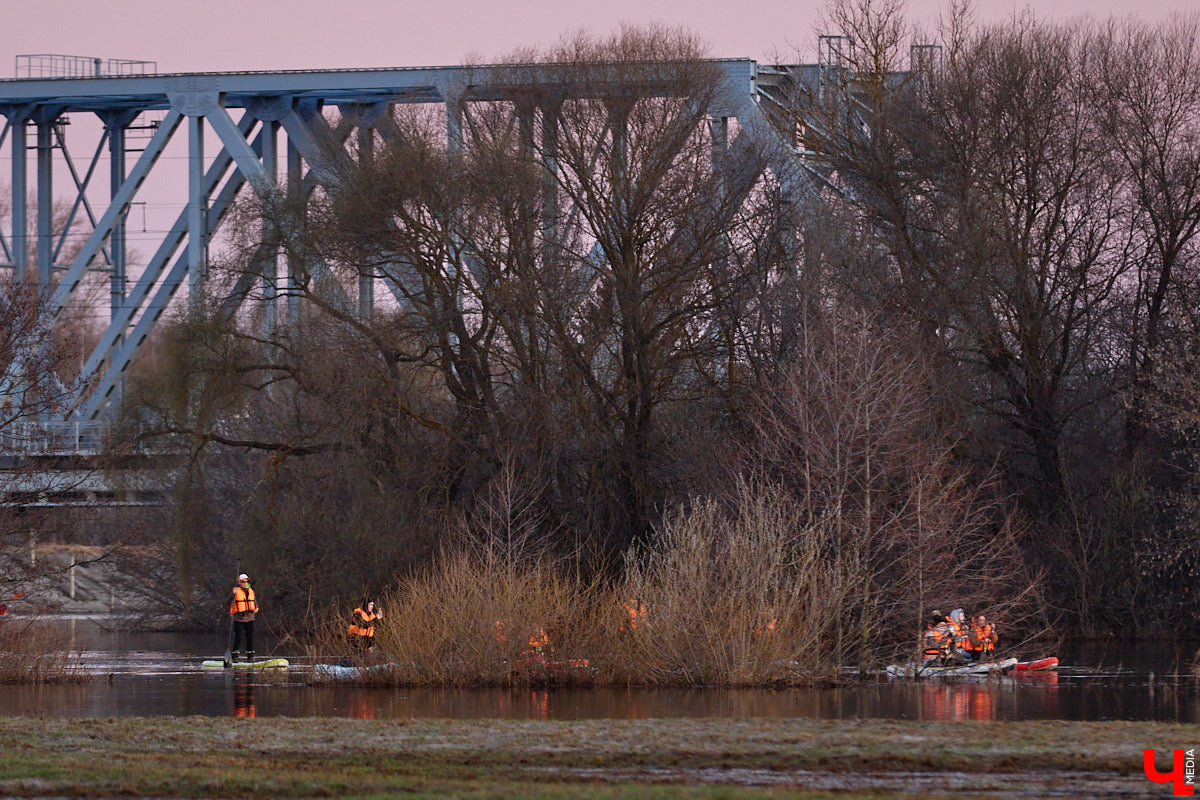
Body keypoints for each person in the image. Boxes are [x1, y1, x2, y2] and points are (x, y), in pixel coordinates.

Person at [228, 573, 258, 663]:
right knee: (238, 637)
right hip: (239, 618)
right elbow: (228, 602)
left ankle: (250, 657)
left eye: (246, 581)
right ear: (239, 582)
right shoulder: (235, 591)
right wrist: (232, 594)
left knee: (250, 638)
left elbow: (255, 603)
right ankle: (235, 657)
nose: (245, 583)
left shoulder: (251, 591)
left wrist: (256, 608)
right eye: (243, 581)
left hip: (250, 618)